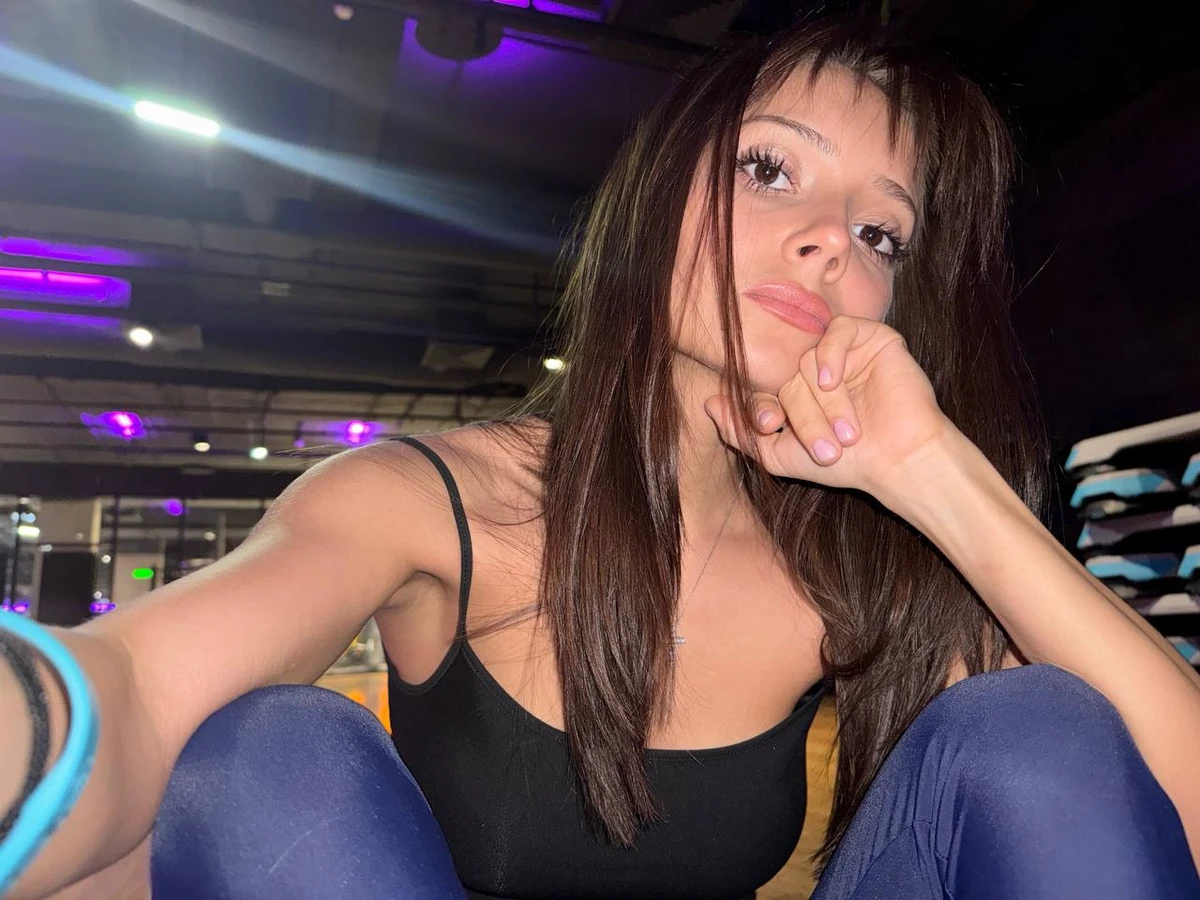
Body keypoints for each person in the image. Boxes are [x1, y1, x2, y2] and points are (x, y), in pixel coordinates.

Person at [3, 18, 1199, 900]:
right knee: (267, 752)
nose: (832, 240)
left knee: (1036, 725)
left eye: (882, 231)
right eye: (769, 169)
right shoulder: (432, 502)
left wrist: (932, 469)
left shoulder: (849, 568)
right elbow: (139, 693)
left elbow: (1159, 805)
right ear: (659, 194)